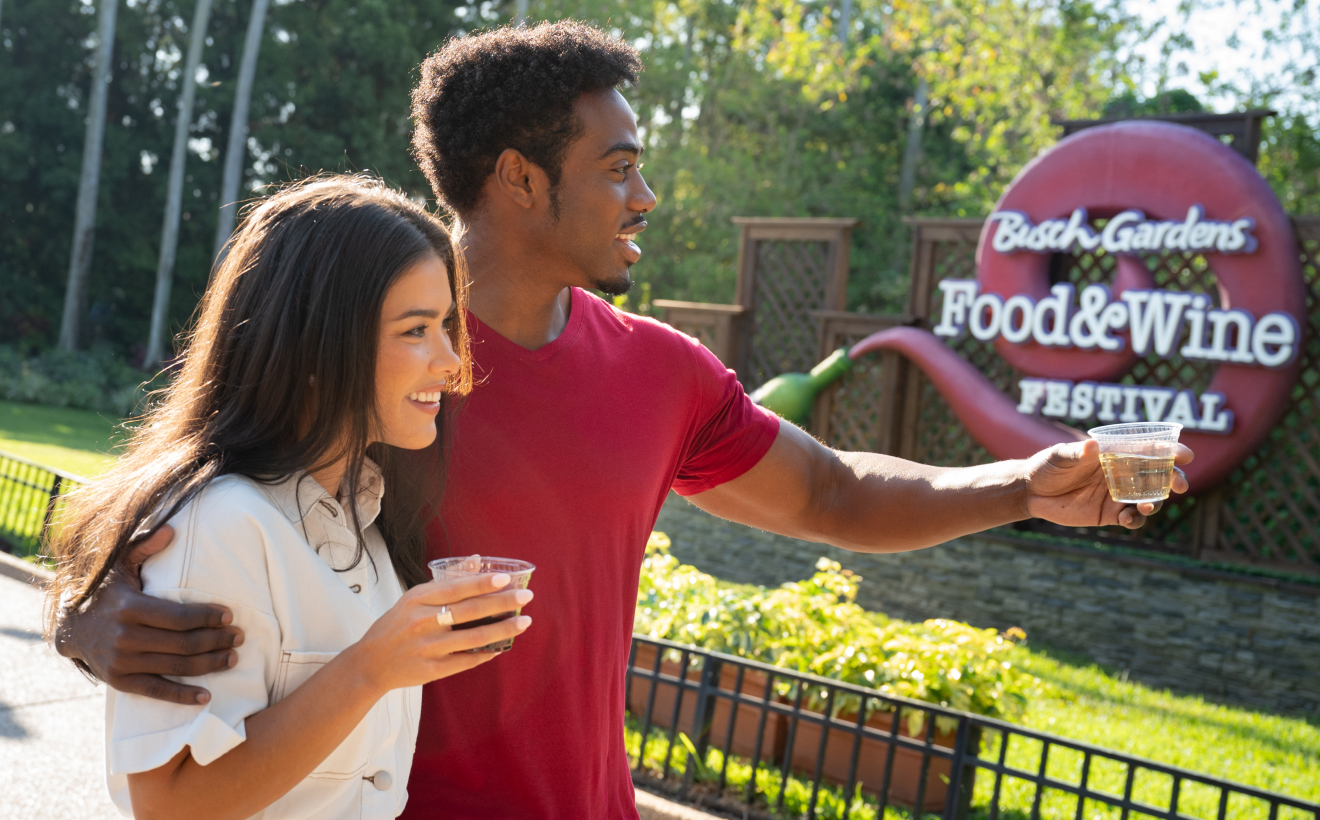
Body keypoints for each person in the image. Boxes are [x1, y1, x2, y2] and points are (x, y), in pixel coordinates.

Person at [53, 22, 1192, 820]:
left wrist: (1019, 485)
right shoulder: (370, 349)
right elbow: (202, 482)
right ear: (520, 180)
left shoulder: (659, 373)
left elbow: (833, 491)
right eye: (620, 166)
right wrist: (89, 605)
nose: (646, 197)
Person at [45, 176, 533, 820]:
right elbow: (169, 807)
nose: (453, 363)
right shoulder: (214, 525)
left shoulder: (372, 525)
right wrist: (370, 669)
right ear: (315, 340)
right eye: (416, 329)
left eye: (446, 325)